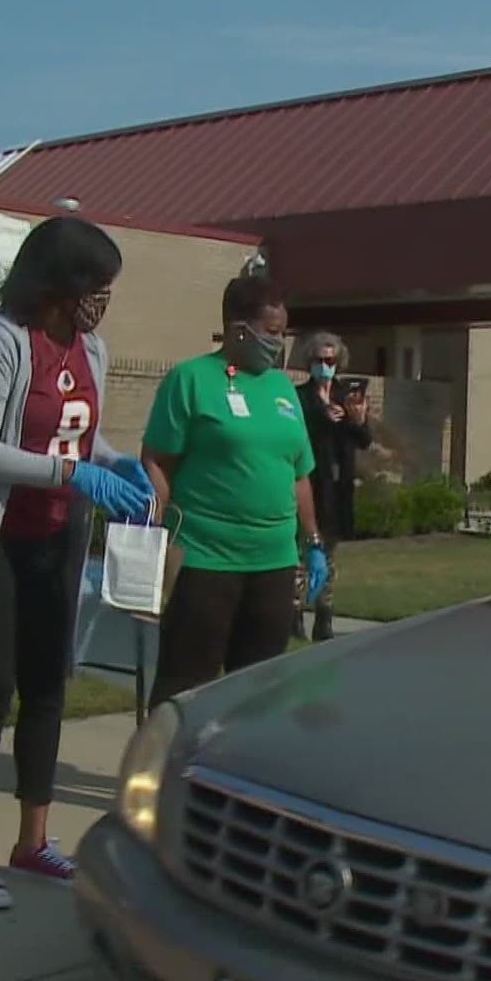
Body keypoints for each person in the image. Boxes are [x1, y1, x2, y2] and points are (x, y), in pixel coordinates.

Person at [0, 217, 154, 910]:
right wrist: (71, 475)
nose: (101, 303)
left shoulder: (93, 351)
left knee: (49, 686)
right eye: (96, 287)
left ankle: (34, 838)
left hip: (56, 543)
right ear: (61, 283)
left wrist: (114, 462)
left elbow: (81, 428)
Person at [142, 274, 325, 703]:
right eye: (272, 333)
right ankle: (165, 767)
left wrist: (313, 541)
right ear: (238, 327)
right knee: (186, 685)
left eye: (284, 333)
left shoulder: (282, 388)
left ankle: (230, 768)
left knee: (258, 690)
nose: (279, 344)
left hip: (274, 563)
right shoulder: (190, 380)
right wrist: (151, 537)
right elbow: (158, 462)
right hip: (206, 560)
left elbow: (299, 472)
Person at [293, 331, 370, 641]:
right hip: (310, 484)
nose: (325, 366)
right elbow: (299, 436)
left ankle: (324, 618)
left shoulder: (347, 396)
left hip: (337, 487)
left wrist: (357, 419)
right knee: (302, 553)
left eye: (330, 360)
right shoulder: (300, 397)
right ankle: (294, 614)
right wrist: (323, 414)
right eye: (319, 360)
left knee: (329, 556)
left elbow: (364, 440)